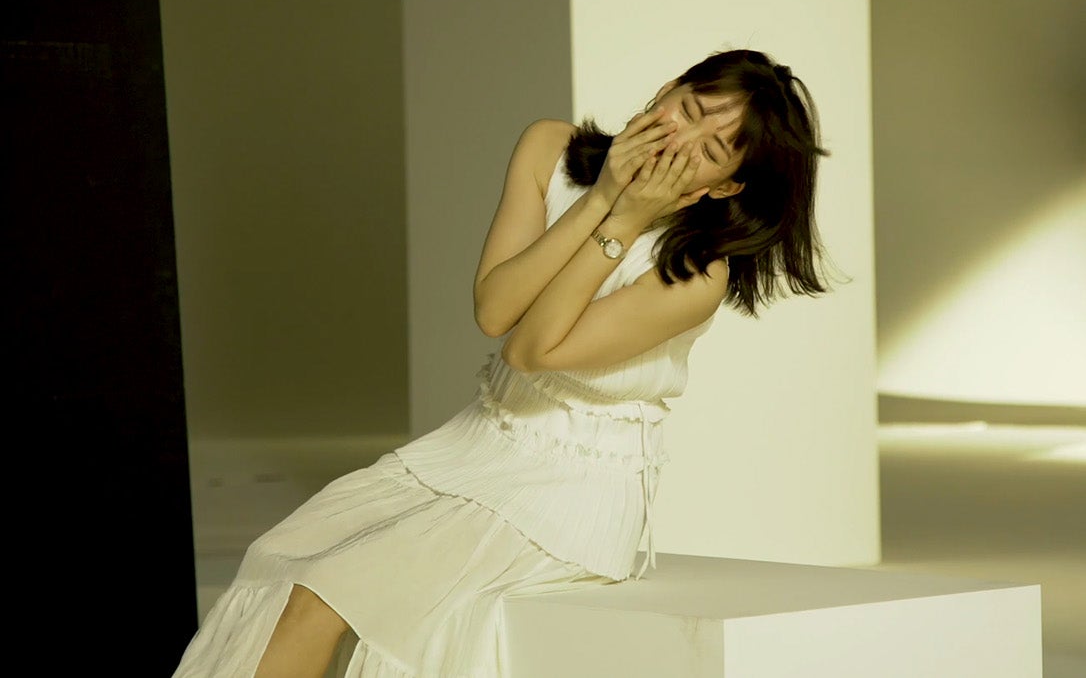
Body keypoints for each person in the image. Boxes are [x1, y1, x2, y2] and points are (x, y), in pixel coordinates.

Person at [173, 48, 830, 677]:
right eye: (687, 110)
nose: (679, 142)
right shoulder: (550, 147)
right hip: (472, 447)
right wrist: (601, 197)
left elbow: (529, 349)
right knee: (282, 561)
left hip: (569, 492)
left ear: (725, 186)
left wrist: (625, 221)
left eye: (710, 151)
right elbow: (494, 309)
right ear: (666, 91)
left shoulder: (696, 273)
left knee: (327, 594)